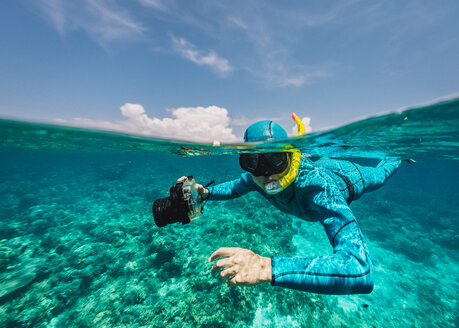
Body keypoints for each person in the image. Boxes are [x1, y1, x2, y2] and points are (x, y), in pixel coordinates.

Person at [194, 119, 404, 295]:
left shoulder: (319, 188)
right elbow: (235, 187)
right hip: (313, 160)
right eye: (253, 162)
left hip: (346, 175)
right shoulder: (253, 178)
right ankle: (309, 152)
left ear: (288, 157)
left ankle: (396, 156)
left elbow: (360, 270)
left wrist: (267, 267)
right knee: (319, 157)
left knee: (380, 176)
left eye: (276, 160)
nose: (267, 174)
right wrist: (206, 193)